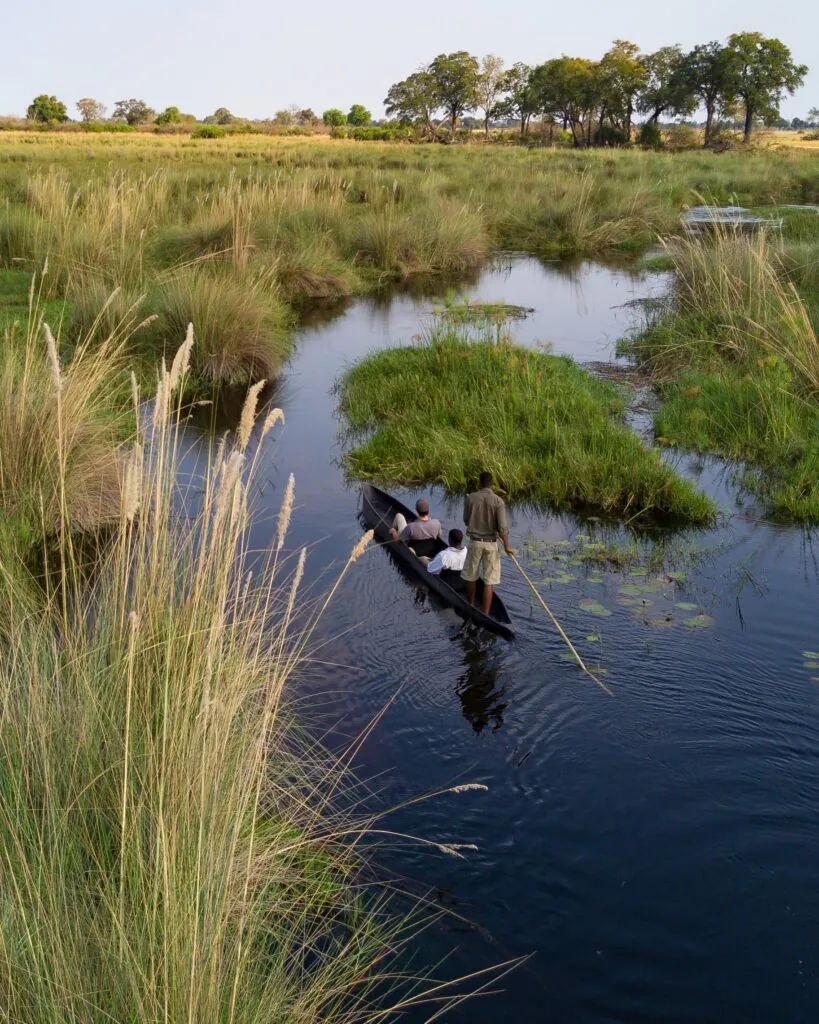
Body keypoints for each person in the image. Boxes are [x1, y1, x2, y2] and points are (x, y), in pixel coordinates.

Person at [461, 471, 515, 615]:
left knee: (471, 576)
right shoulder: (498, 501)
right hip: (491, 544)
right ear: (492, 484)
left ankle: (470, 605)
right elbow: (503, 528)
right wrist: (507, 546)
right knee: (489, 581)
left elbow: (466, 520)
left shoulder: (470, 498)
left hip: (475, 543)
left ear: (480, 483)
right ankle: (485, 614)